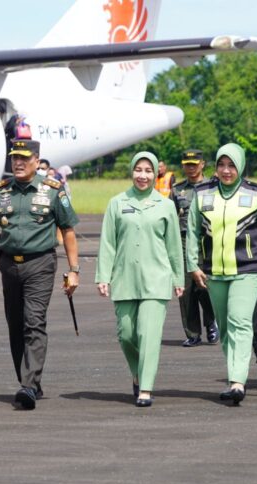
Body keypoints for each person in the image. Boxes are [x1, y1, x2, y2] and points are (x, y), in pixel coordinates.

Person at [0, 139, 80, 411]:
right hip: (9, 265)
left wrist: (74, 270)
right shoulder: (0, 192)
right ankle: (29, 382)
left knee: (34, 321)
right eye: (14, 158)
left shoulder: (52, 190)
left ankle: (28, 385)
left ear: (36, 159)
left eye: (23, 158)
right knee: (15, 324)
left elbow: (67, 231)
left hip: (40, 264)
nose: (17, 163)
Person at [187, 144, 257, 404]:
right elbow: (192, 232)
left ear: (240, 166)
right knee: (225, 328)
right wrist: (193, 265)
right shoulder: (202, 194)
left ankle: (238, 382)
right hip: (214, 273)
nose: (226, 171)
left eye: (232, 165)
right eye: (222, 165)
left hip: (247, 271)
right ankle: (234, 375)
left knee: (239, 321)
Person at [96, 151, 183, 407]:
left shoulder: (165, 204)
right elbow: (108, 242)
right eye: (138, 170)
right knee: (126, 334)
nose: (142, 176)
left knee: (149, 334)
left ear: (155, 173)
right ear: (132, 171)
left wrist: (179, 279)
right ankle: (137, 371)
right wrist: (103, 275)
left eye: (148, 171)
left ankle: (145, 387)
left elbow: (174, 246)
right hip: (124, 278)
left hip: (156, 279)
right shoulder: (117, 203)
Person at [171, 149, 218, 347]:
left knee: (206, 286)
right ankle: (192, 333)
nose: (191, 167)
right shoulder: (177, 190)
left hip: (207, 240)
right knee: (186, 289)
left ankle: (211, 322)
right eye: (187, 164)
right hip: (183, 240)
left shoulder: (213, 187)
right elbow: (171, 218)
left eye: (194, 164)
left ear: (202, 164)